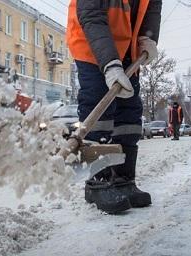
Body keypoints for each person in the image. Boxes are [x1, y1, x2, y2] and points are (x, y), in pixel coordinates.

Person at [67, 0, 162, 213]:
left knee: (129, 114)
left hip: (128, 47)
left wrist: (149, 37)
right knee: (99, 112)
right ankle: (98, 183)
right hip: (92, 45)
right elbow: (91, 15)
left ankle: (123, 180)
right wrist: (110, 63)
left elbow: (152, 9)